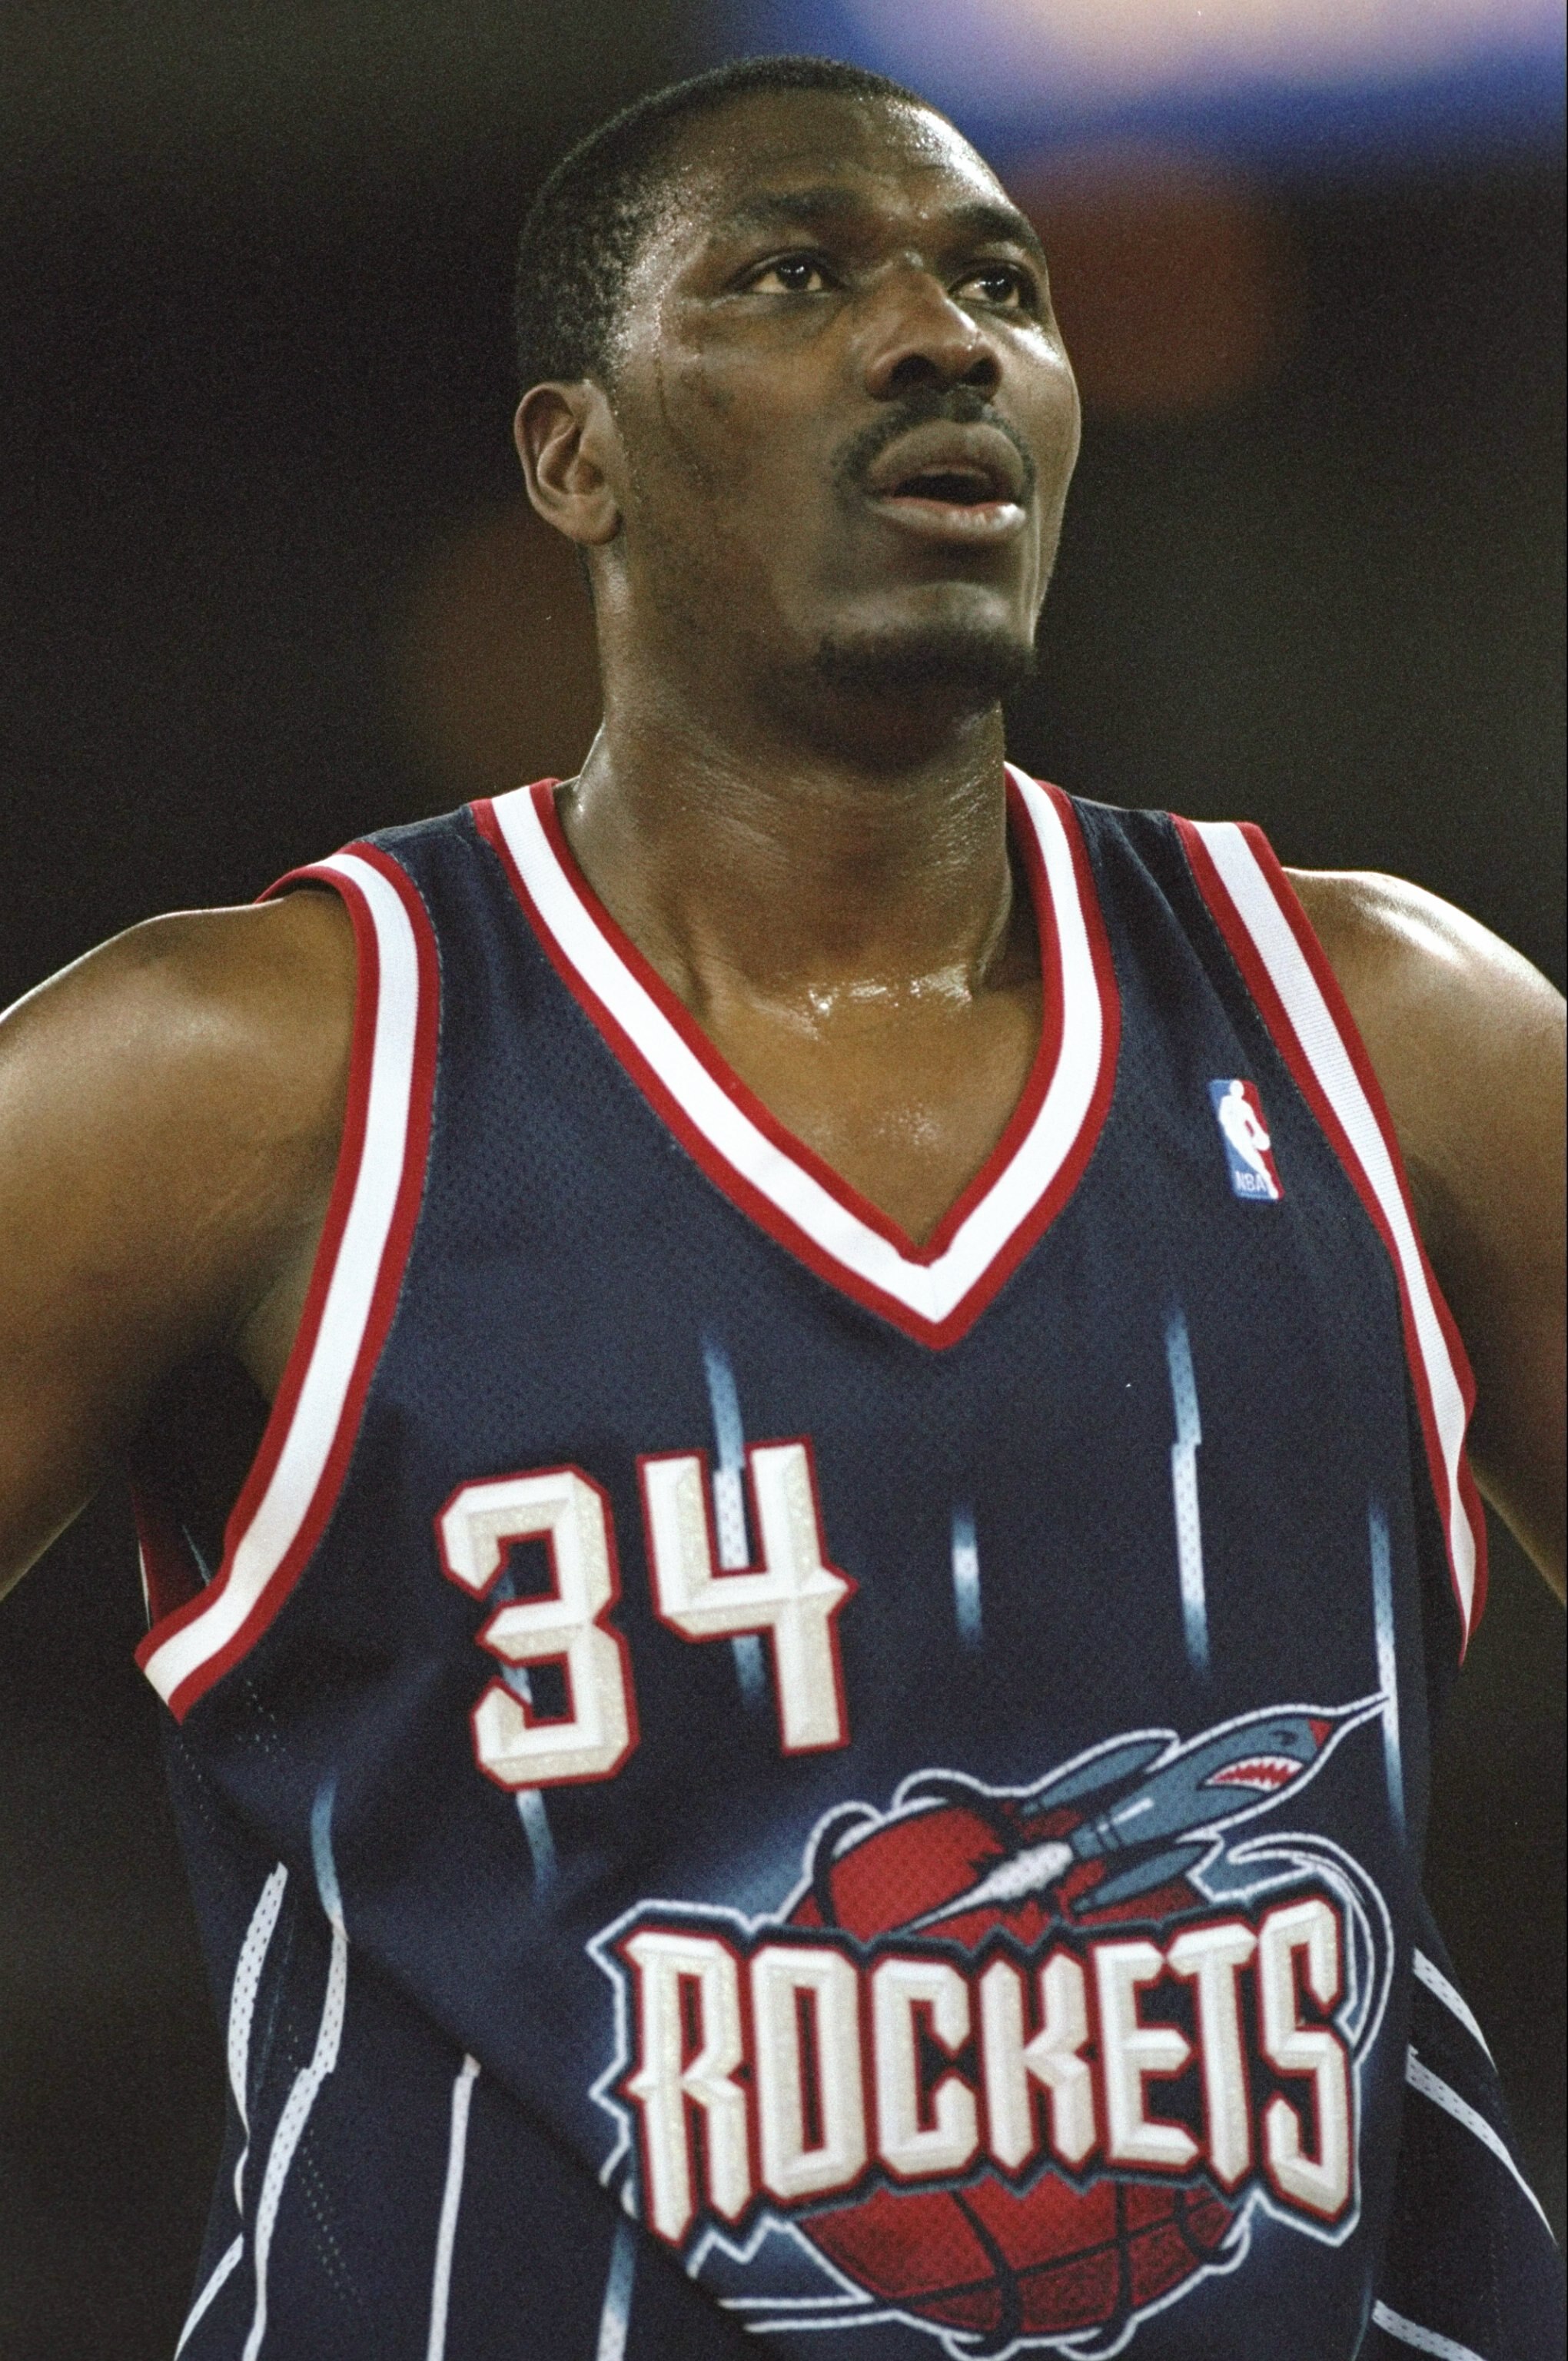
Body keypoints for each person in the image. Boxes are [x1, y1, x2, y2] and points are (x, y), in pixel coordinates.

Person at [0, 51, 1561, 2361]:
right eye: (797, 275)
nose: (939, 335)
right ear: (578, 455)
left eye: (996, 285)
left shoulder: (1397, 1031)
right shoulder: (242, 1072)